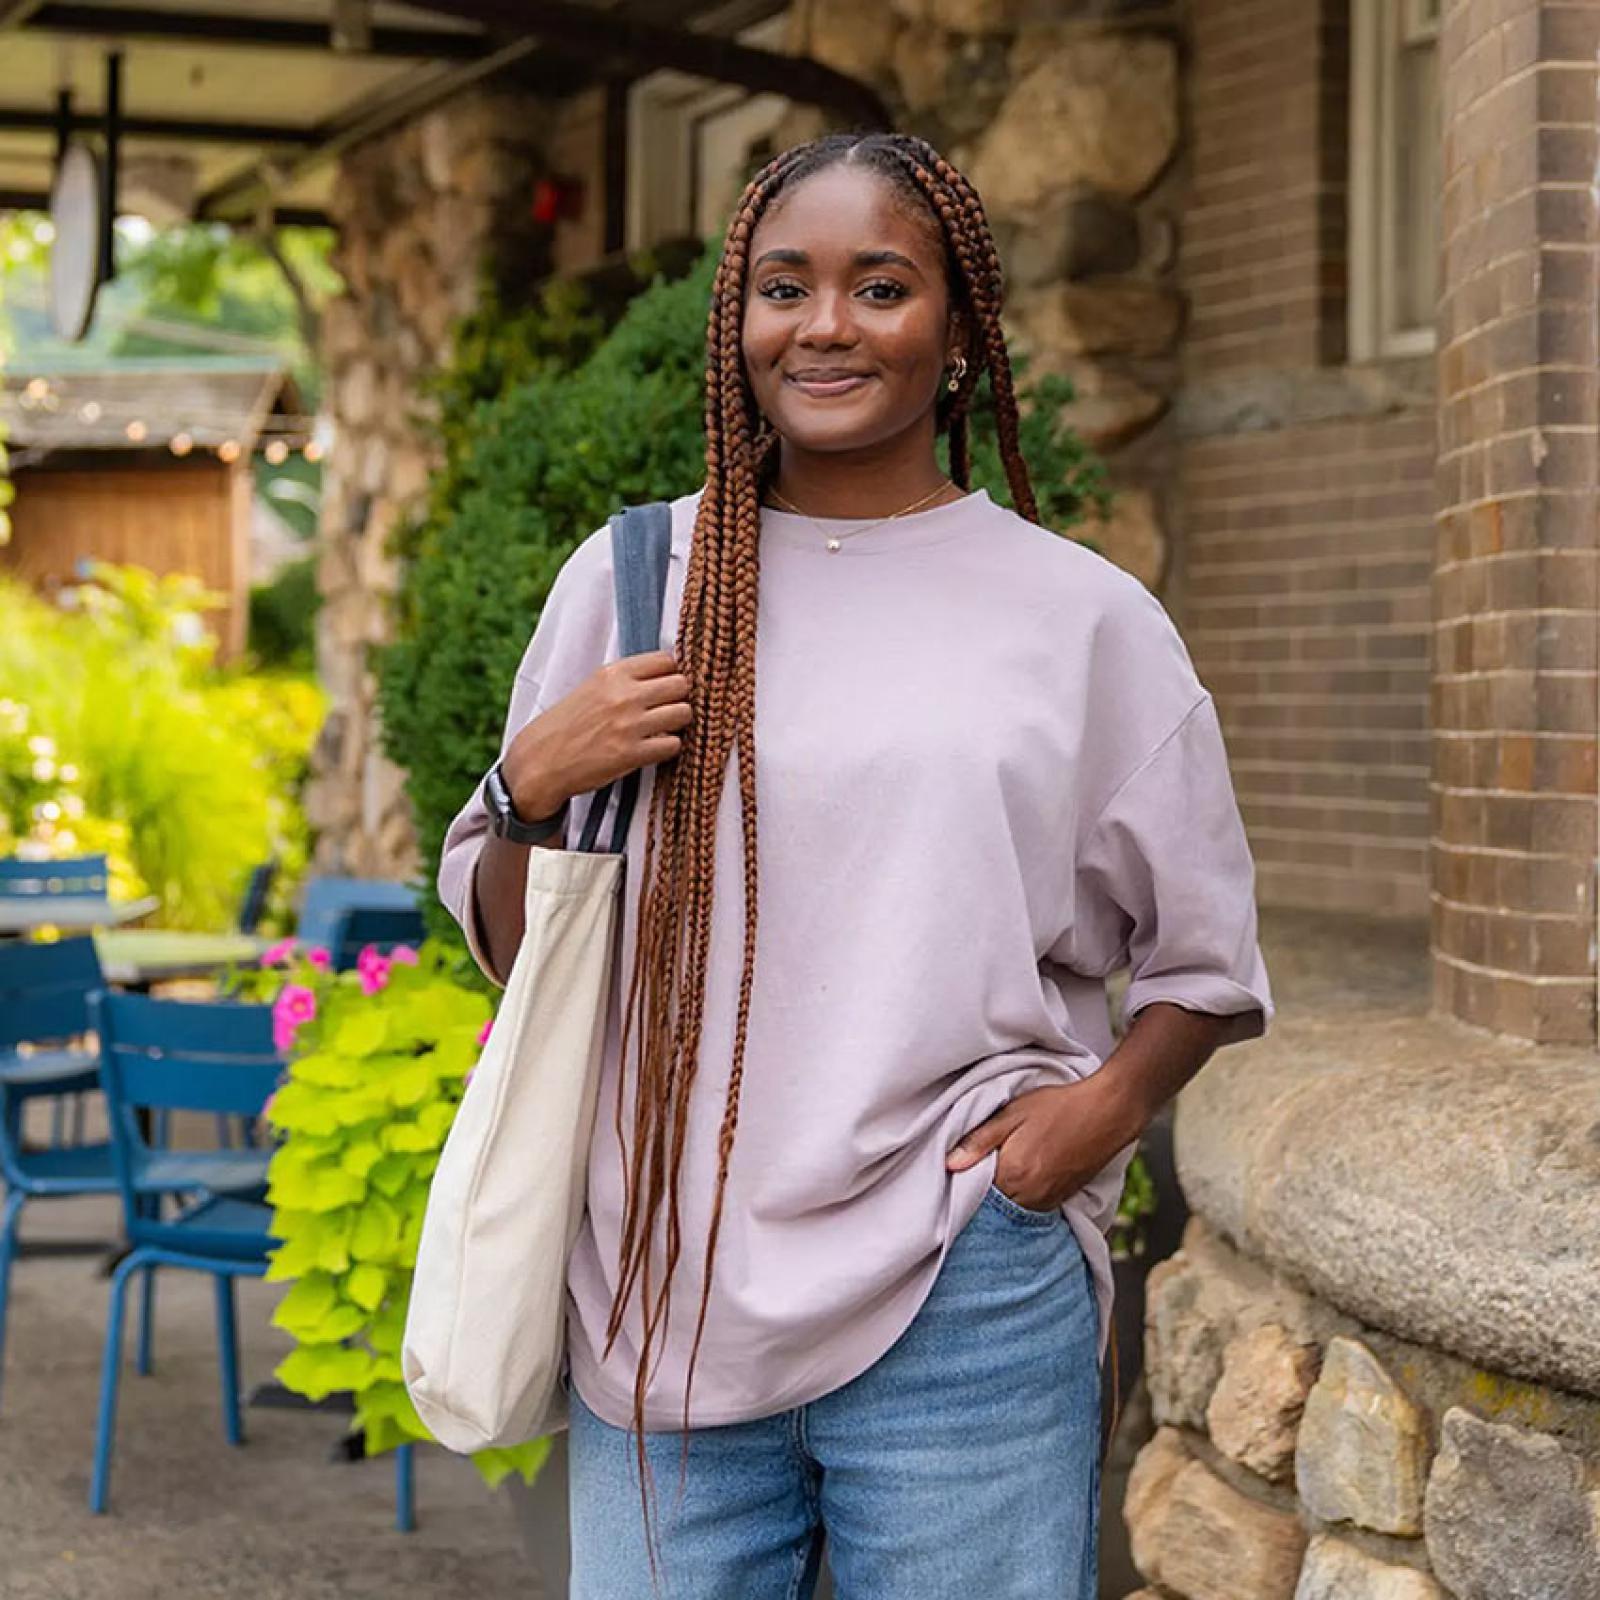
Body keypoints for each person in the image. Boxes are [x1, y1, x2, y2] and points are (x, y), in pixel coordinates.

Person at [438, 131, 1272, 1599]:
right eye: (783, 287)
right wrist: (528, 783)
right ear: (736, 325)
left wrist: (1090, 1125)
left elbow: (1204, 963)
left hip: (964, 1282)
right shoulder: (635, 584)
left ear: (957, 333)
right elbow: (520, 947)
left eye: (880, 287)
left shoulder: (1083, 621)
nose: (825, 325)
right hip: (665, 1288)